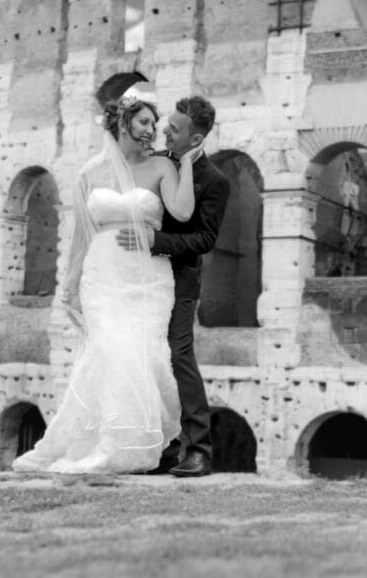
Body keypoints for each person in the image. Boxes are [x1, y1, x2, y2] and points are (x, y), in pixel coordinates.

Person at [12, 96, 200, 474]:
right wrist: (71, 284)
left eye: (154, 123)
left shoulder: (163, 166)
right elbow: (82, 234)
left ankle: (129, 445)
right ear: (123, 123)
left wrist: (190, 166)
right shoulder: (89, 173)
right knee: (107, 351)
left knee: (144, 355)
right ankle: (104, 442)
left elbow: (182, 212)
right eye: (145, 122)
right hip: (103, 273)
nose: (152, 130)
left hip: (147, 276)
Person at [119, 95, 229, 477]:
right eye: (168, 123)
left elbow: (205, 239)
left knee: (179, 355)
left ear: (196, 138)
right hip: (140, 276)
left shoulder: (215, 180)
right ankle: (161, 450)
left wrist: (158, 243)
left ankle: (198, 450)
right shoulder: (157, 161)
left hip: (181, 278)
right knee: (145, 356)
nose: (166, 130)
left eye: (175, 129)